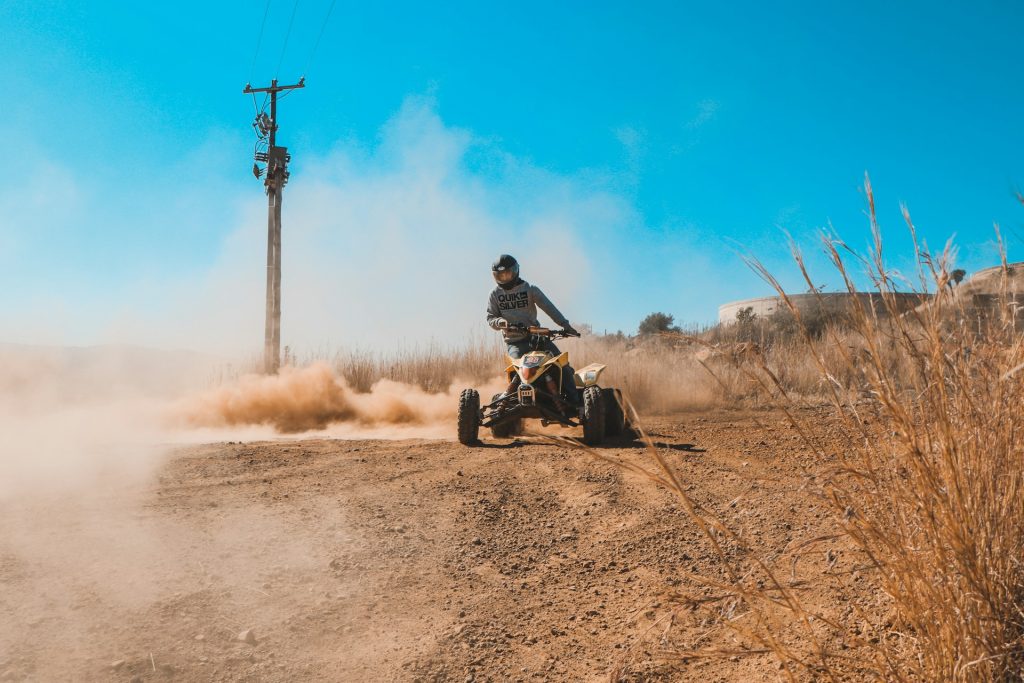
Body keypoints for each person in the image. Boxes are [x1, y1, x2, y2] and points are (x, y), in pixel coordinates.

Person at [486, 254, 580, 405]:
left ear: (515, 271)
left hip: (538, 339)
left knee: (562, 365)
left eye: (507, 274)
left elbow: (549, 308)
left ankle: (576, 404)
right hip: (515, 342)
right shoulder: (495, 294)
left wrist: (565, 325)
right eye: (500, 275)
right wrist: (500, 322)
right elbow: (490, 318)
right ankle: (509, 403)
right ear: (495, 276)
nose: (504, 278)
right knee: (516, 370)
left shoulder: (529, 289)